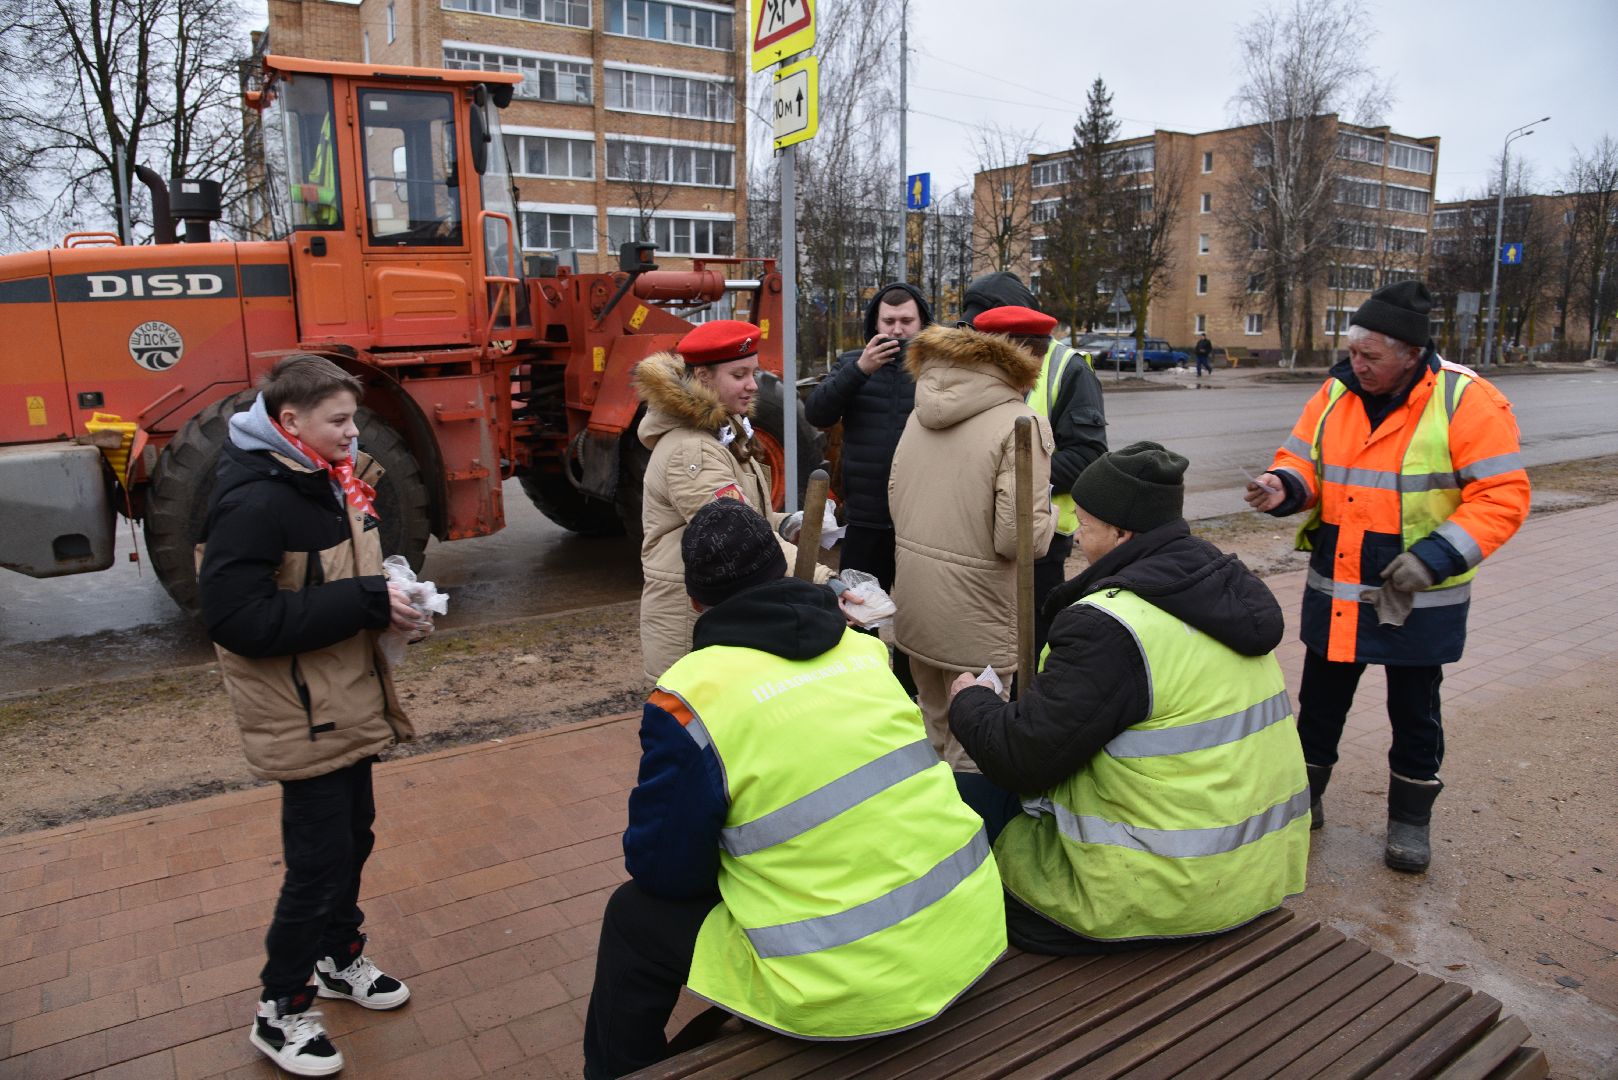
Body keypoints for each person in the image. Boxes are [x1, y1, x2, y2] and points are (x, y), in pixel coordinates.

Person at [582, 500, 1006, 1079]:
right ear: (780, 573)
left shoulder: (691, 697)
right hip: (969, 934)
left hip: (843, 992)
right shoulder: (864, 651)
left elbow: (664, 870)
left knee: (633, 917)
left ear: (694, 602)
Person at [948, 441, 1309, 953]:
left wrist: (971, 700)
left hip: (1151, 894)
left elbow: (1019, 758)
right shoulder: (1220, 592)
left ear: (1121, 533)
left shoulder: (1111, 627)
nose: (1075, 535)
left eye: (1086, 523)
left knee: (964, 796)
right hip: (1254, 873)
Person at [1244, 281, 1530, 873]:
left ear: (1410, 354)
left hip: (1416, 592)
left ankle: (1409, 822)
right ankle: (1305, 799)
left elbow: (1502, 496)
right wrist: (1282, 486)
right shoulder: (1335, 392)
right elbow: (1302, 460)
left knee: (1414, 711)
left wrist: (1437, 556)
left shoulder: (1465, 400)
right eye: (1354, 353)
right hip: (1339, 585)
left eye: (1371, 357)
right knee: (1320, 703)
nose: (1358, 365)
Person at [197, 355, 421, 1077]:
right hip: (302, 713)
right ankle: (281, 1009)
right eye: (340, 420)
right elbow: (237, 619)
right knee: (316, 863)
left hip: (345, 697)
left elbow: (345, 567)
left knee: (352, 840)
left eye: (352, 418)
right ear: (289, 422)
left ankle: (337, 958)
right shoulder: (253, 500)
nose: (354, 432)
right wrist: (364, 603)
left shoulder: (322, 474)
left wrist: (392, 587)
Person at [888, 322, 1055, 769]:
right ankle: (972, 836)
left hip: (917, 604)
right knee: (976, 745)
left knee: (932, 727)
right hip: (979, 615)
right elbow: (1019, 538)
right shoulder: (1021, 423)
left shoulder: (918, 411)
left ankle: (929, 828)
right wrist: (1053, 516)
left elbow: (895, 496)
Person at [634, 319, 827, 680]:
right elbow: (737, 536)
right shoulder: (694, 450)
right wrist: (827, 580)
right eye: (739, 375)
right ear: (704, 378)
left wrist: (785, 522)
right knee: (699, 731)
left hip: (713, 612)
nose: (753, 385)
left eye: (754, 373)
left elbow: (743, 515)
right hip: (690, 625)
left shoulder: (720, 433)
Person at [961, 272, 1107, 657]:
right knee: (985, 640)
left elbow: (1088, 456)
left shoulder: (1068, 368)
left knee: (1030, 642)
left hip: (1039, 538)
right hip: (976, 531)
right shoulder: (968, 362)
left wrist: (1007, 480)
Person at [803, 282, 931, 592]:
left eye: (906, 321)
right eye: (889, 322)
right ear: (875, 322)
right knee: (861, 616)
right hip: (865, 519)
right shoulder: (851, 363)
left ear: (923, 323)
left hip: (921, 521)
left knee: (919, 619)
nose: (897, 330)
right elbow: (817, 414)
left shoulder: (937, 368)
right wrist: (861, 369)